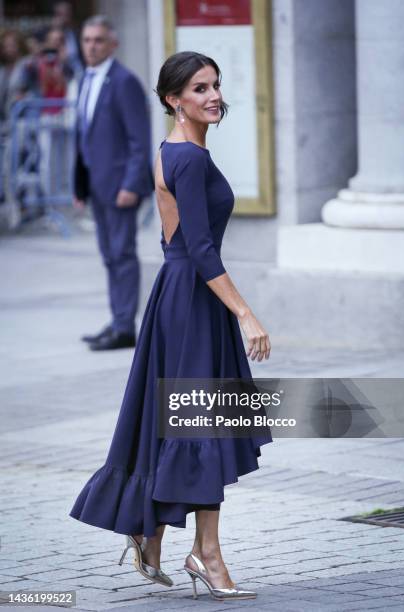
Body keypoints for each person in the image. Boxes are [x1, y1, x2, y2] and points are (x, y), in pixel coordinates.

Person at [69, 50, 273, 601]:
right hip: (194, 298)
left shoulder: (175, 150)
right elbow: (201, 250)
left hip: (181, 298)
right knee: (203, 426)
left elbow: (182, 245)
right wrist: (246, 313)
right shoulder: (189, 159)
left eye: (215, 86)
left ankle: (152, 531)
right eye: (199, 88)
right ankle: (204, 553)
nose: (212, 96)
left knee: (191, 424)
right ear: (172, 100)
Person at [73, 15, 154, 351]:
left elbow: (139, 140)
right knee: (109, 255)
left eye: (98, 40)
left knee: (122, 254)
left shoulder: (124, 82)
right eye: (87, 40)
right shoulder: (86, 79)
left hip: (121, 187)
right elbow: (83, 136)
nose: (91, 46)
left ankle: (124, 327)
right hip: (97, 185)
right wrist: (79, 186)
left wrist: (132, 185)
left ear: (113, 44)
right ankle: (118, 320)